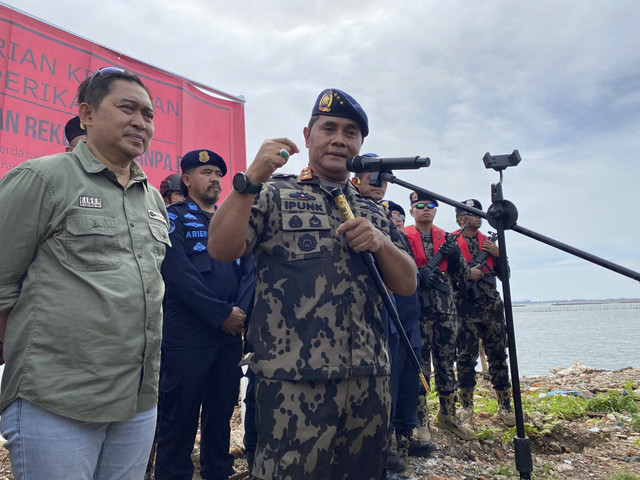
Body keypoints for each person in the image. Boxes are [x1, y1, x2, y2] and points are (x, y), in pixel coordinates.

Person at [207, 88, 417, 480]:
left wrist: (381, 242)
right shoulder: (273, 194)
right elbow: (220, 248)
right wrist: (249, 180)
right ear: (307, 136)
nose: (340, 139)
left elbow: (406, 284)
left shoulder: (373, 210)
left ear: (360, 145)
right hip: (294, 383)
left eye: (351, 132)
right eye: (329, 128)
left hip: (369, 380)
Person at [0, 66, 168, 479]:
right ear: (87, 114)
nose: (139, 122)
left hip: (137, 402)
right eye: (127, 108)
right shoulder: (43, 178)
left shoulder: (154, 199)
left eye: (147, 114)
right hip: (56, 401)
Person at [154, 149, 254, 480]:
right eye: (206, 172)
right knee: (179, 417)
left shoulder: (233, 220)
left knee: (221, 414)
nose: (214, 179)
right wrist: (221, 314)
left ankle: (218, 472)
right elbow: (178, 273)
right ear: (187, 179)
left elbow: (249, 272)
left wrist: (239, 314)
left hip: (228, 338)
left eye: (218, 174)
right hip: (187, 336)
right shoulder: (174, 218)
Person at [404, 192, 475, 440]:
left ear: (435, 210)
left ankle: (448, 415)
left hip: (446, 311)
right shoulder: (403, 236)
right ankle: (420, 420)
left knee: (446, 364)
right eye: (419, 206)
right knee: (420, 366)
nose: (425, 209)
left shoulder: (446, 238)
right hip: (418, 312)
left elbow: (463, 278)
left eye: (430, 206)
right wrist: (419, 273)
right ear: (412, 211)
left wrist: (455, 255)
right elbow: (394, 270)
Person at [453, 199, 516, 427]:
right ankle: (467, 406)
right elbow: (444, 275)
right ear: (461, 219)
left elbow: (505, 275)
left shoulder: (489, 242)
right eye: (472, 214)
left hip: (491, 306)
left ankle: (505, 406)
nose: (478, 217)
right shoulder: (451, 241)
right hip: (464, 307)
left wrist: (498, 254)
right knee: (465, 358)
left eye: (480, 214)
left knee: (499, 355)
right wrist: (466, 274)